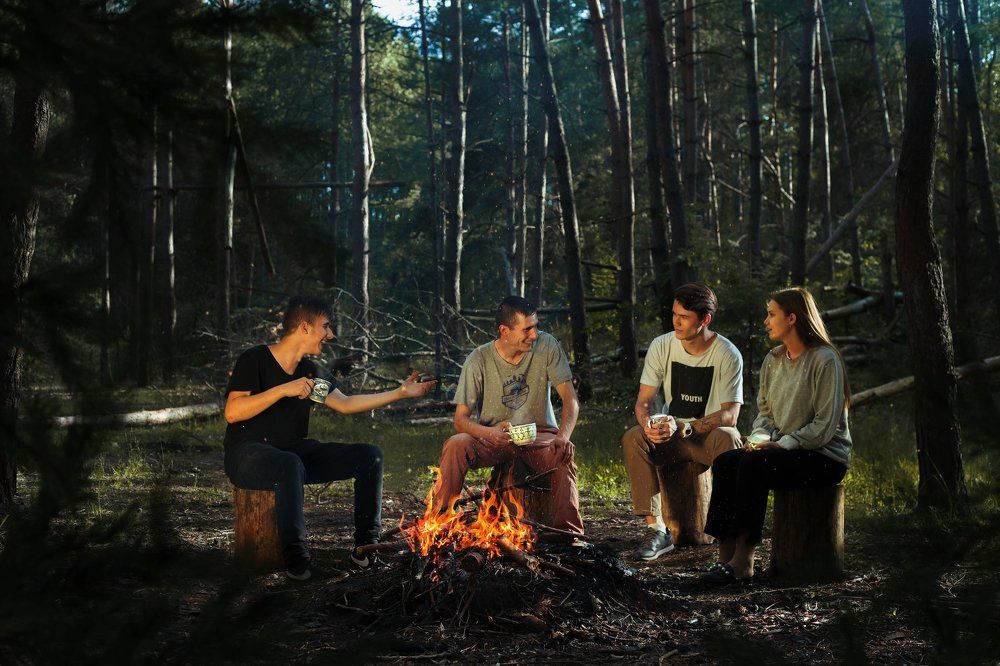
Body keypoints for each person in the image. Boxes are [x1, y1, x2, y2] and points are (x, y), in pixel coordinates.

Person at [223, 295, 435, 581]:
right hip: (246, 455)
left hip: (294, 454)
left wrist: (399, 393)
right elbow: (233, 412)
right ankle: (298, 565)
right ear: (304, 328)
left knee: (369, 457)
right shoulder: (255, 359)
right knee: (289, 464)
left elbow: (345, 403)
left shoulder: (310, 373)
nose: (330, 334)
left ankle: (365, 550)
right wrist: (283, 389)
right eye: (325, 326)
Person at [701, 287, 851, 585]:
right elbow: (766, 414)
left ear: (792, 318)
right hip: (784, 450)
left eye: (771, 314)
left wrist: (780, 445)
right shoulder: (774, 359)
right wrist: (758, 439)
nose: (766, 321)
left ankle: (744, 561)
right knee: (727, 462)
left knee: (753, 466)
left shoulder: (824, 360)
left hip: (823, 457)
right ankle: (724, 558)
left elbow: (824, 426)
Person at [431, 295, 585, 536]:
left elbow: (570, 399)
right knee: (455, 445)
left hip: (539, 435)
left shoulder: (547, 345)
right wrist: (490, 433)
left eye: (536, 327)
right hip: (493, 437)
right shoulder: (478, 359)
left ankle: (569, 534)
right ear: (504, 331)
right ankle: (438, 524)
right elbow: (460, 420)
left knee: (561, 454)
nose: (534, 335)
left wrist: (563, 436)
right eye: (527, 329)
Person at [621, 282, 743, 560]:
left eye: (684, 317)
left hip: (706, 436)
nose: (676, 321)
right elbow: (643, 402)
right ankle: (657, 530)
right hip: (673, 434)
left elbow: (730, 414)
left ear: (705, 320)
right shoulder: (661, 345)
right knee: (634, 437)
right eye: (674, 314)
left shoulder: (727, 353)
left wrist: (689, 426)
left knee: (730, 437)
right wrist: (650, 425)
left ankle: (728, 534)